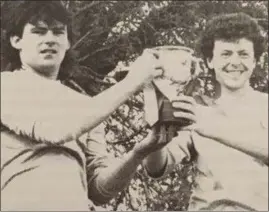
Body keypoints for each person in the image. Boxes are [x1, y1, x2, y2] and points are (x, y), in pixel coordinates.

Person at [0, 1, 167, 211]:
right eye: (39, 32)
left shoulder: (86, 106)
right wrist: (133, 81)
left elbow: (99, 190)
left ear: (68, 42)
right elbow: (56, 130)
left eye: (58, 32)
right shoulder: (6, 85)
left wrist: (138, 153)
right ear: (17, 41)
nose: (50, 39)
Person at [141, 12, 268, 211]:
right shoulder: (195, 111)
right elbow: (156, 168)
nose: (235, 62)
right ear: (210, 61)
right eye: (226, 54)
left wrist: (210, 127)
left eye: (243, 54)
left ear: (255, 61)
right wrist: (156, 131)